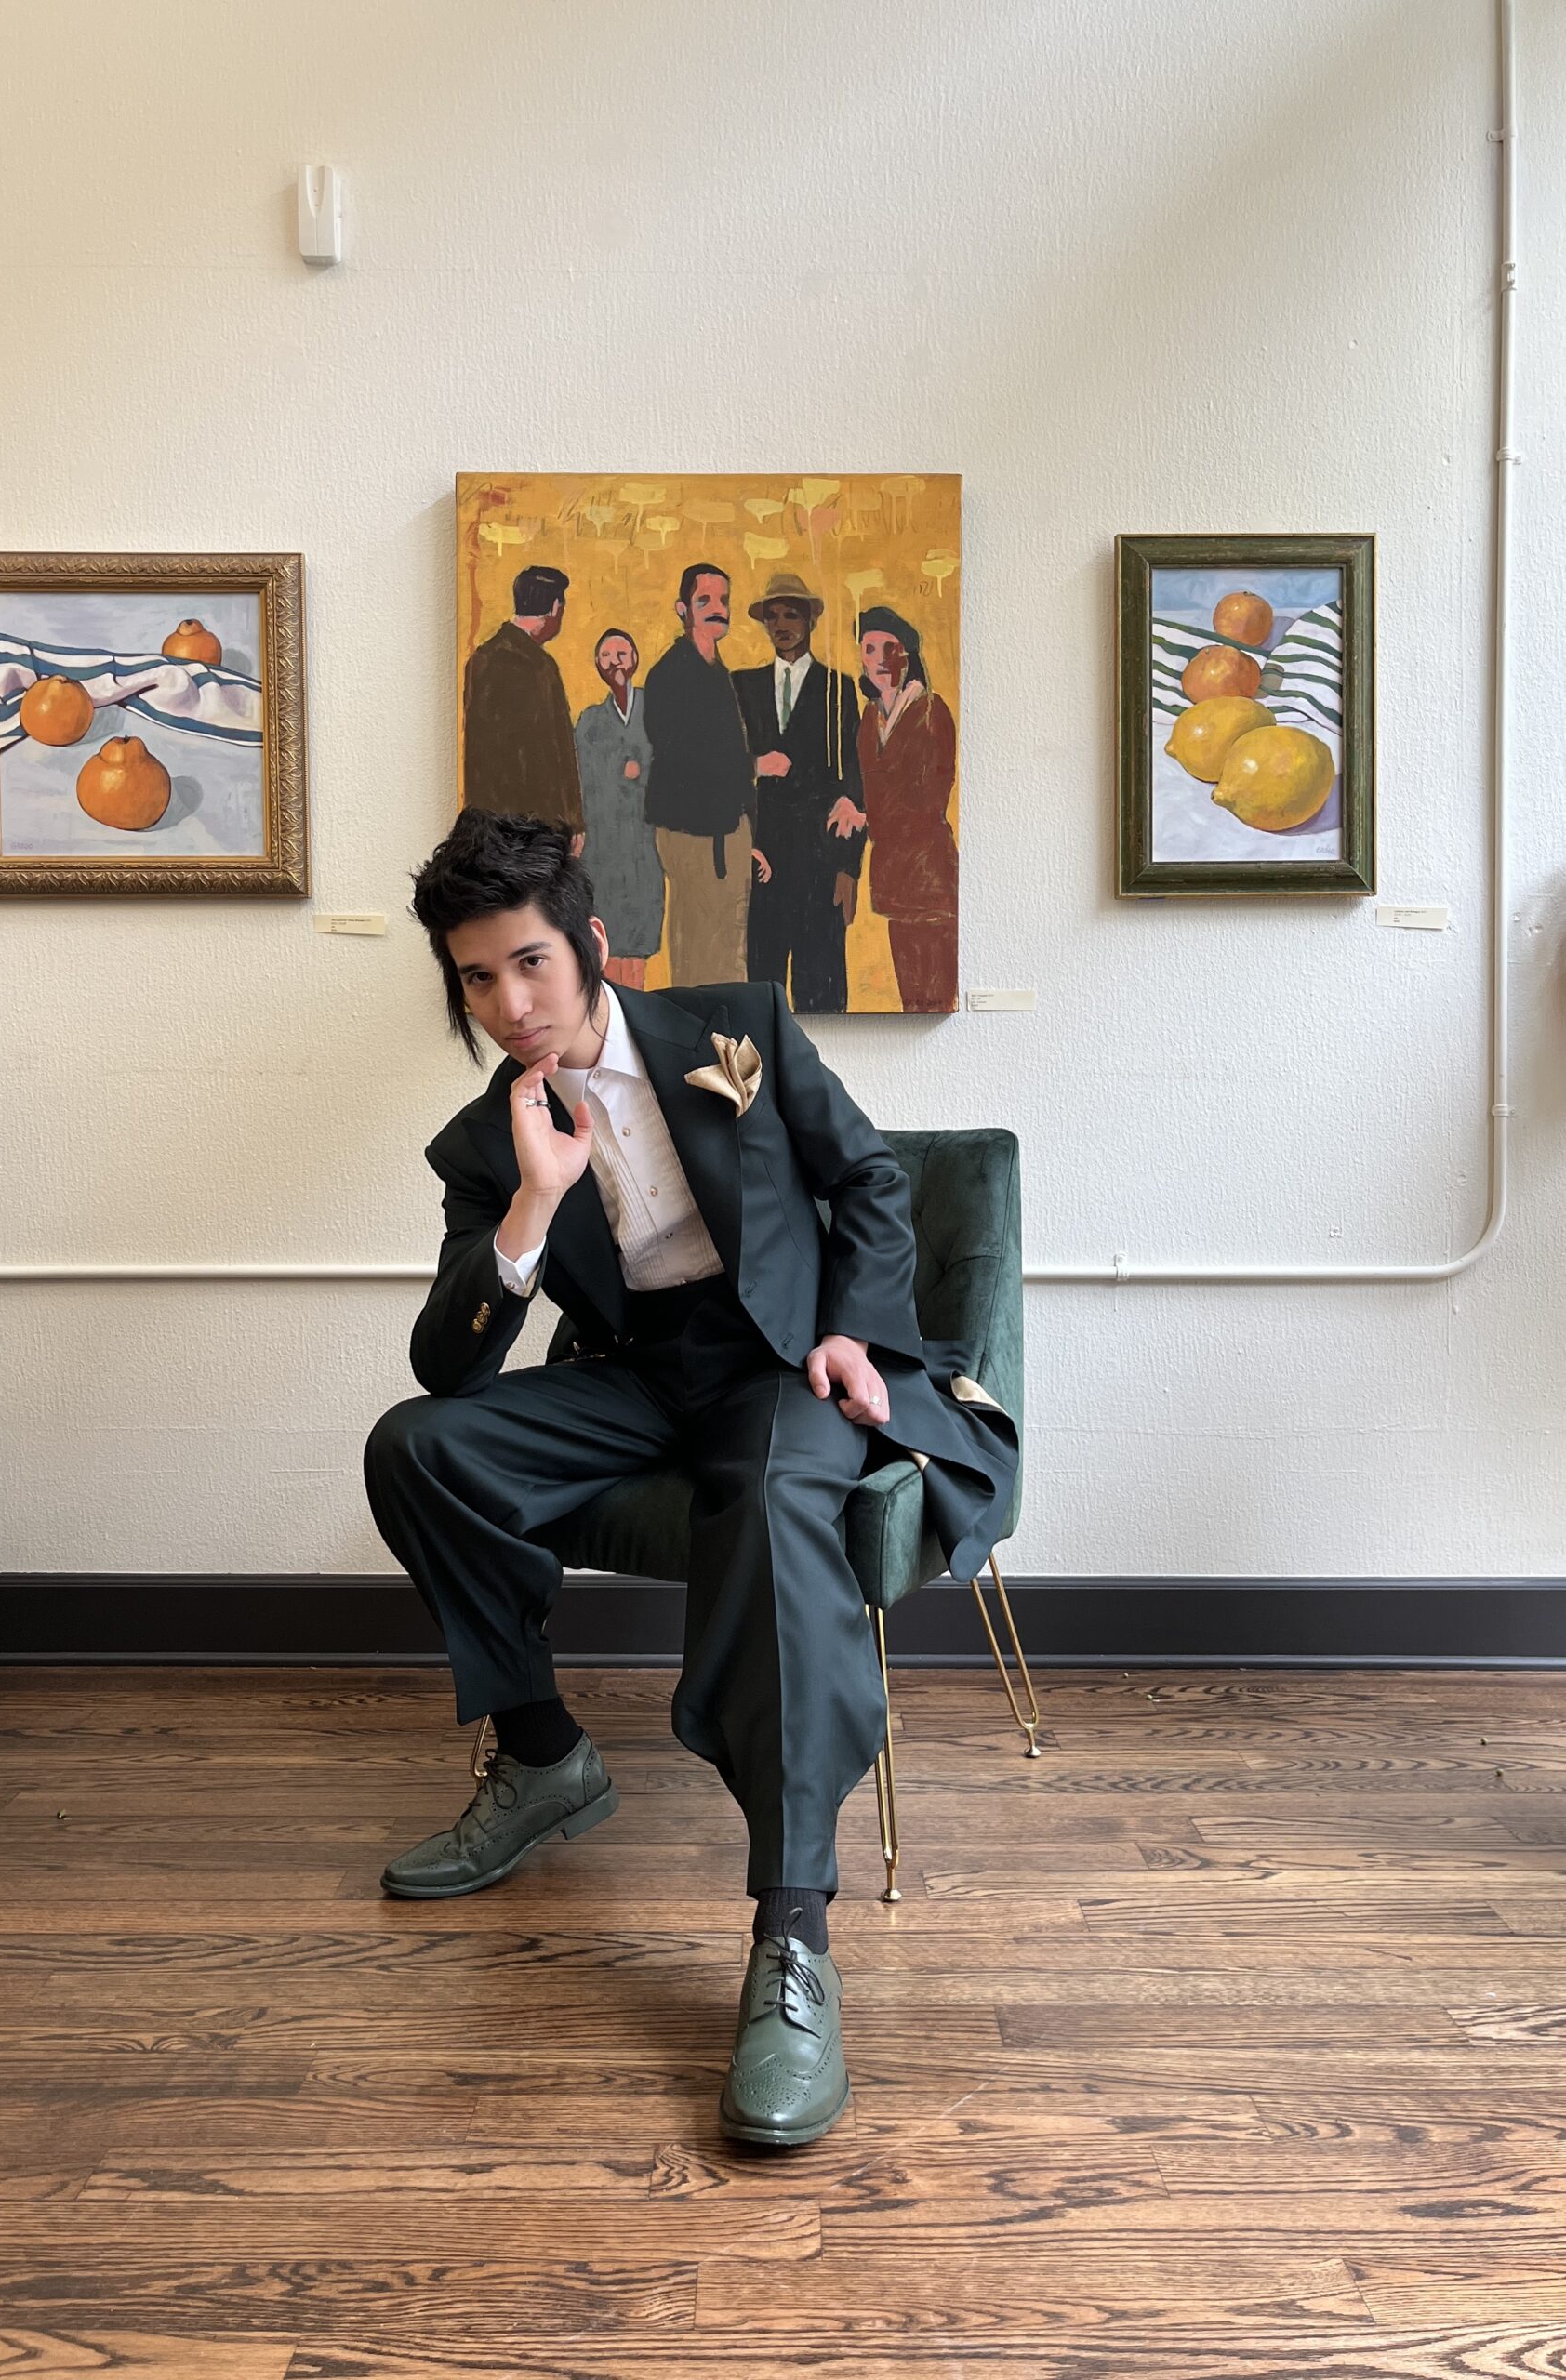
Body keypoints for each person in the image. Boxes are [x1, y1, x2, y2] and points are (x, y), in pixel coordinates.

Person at [364, 810, 1018, 2149]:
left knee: (779, 1507)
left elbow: (871, 1179)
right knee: (414, 1450)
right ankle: (544, 1759)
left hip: (778, 1358)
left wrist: (851, 1331)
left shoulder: (737, 1029)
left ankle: (790, 1937)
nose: (509, 1004)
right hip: (629, 1371)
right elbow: (449, 1371)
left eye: (530, 964)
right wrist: (533, 1205)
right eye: (477, 980)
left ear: (592, 943)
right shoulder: (480, 1145)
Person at [734, 571, 865, 1012]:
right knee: (760, 999)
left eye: (792, 614)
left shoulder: (838, 689)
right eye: (772, 617)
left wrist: (848, 866)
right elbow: (715, 769)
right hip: (761, 864)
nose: (781, 624)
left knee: (823, 999)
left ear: (810, 621)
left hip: (820, 868)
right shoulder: (742, 687)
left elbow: (854, 785)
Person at [640, 563, 772, 984]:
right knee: (698, 948)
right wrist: (754, 766)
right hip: (691, 832)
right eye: (705, 601)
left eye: (723, 601)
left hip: (727, 831)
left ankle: (726, 1043)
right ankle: (699, 1045)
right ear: (683, 609)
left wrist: (748, 833)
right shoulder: (670, 674)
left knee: (730, 946)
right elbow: (680, 758)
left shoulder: (720, 674)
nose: (718, 609)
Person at [854, 605, 959, 1013]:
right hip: (893, 877)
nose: (879, 659)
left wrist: (868, 816)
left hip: (929, 875)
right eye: (869, 648)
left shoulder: (931, 711)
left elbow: (929, 798)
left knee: (935, 1001)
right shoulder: (869, 718)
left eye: (889, 648)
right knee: (910, 1000)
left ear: (907, 655)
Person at [462, 563, 585, 848]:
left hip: (491, 826)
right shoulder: (541, 667)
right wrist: (573, 821)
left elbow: (476, 755)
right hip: (540, 827)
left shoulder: (481, 659)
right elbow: (559, 751)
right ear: (555, 607)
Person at [573, 628, 661, 991]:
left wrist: (642, 771)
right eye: (606, 655)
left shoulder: (654, 709)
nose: (615, 662)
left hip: (644, 838)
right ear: (597, 665)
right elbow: (581, 772)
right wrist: (616, 768)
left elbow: (670, 756)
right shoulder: (590, 720)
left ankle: (635, 1010)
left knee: (639, 932)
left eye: (621, 653)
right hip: (603, 840)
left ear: (635, 659)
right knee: (604, 935)